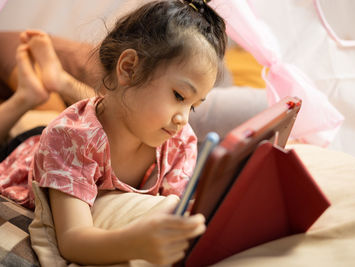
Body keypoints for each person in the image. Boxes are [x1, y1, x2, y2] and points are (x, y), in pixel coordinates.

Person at [0, 0, 227, 265]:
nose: (183, 118)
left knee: (115, 106)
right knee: (31, 125)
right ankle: (27, 96)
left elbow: (171, 210)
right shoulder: (70, 138)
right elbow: (72, 240)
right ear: (129, 67)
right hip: (31, 147)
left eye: (194, 107)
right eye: (179, 96)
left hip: (93, 122)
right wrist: (134, 244)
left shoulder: (179, 140)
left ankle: (56, 82)